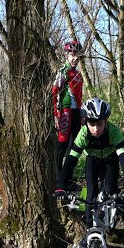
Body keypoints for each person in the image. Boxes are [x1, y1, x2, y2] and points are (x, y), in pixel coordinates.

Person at [54, 98, 124, 248]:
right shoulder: (83, 133)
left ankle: (119, 203)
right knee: (91, 194)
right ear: (86, 122)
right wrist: (60, 185)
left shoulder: (113, 131)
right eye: (92, 124)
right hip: (92, 161)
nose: (96, 129)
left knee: (109, 191)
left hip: (111, 161)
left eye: (99, 124)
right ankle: (89, 231)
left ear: (106, 121)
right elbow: (70, 160)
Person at [53, 40, 84, 182]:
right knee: (62, 145)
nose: (75, 57)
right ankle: (59, 178)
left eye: (77, 54)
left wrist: (82, 113)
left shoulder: (78, 74)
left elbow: (80, 95)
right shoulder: (62, 72)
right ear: (66, 55)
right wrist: (55, 115)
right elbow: (54, 93)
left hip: (76, 112)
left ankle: (68, 177)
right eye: (72, 54)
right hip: (65, 112)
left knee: (75, 145)